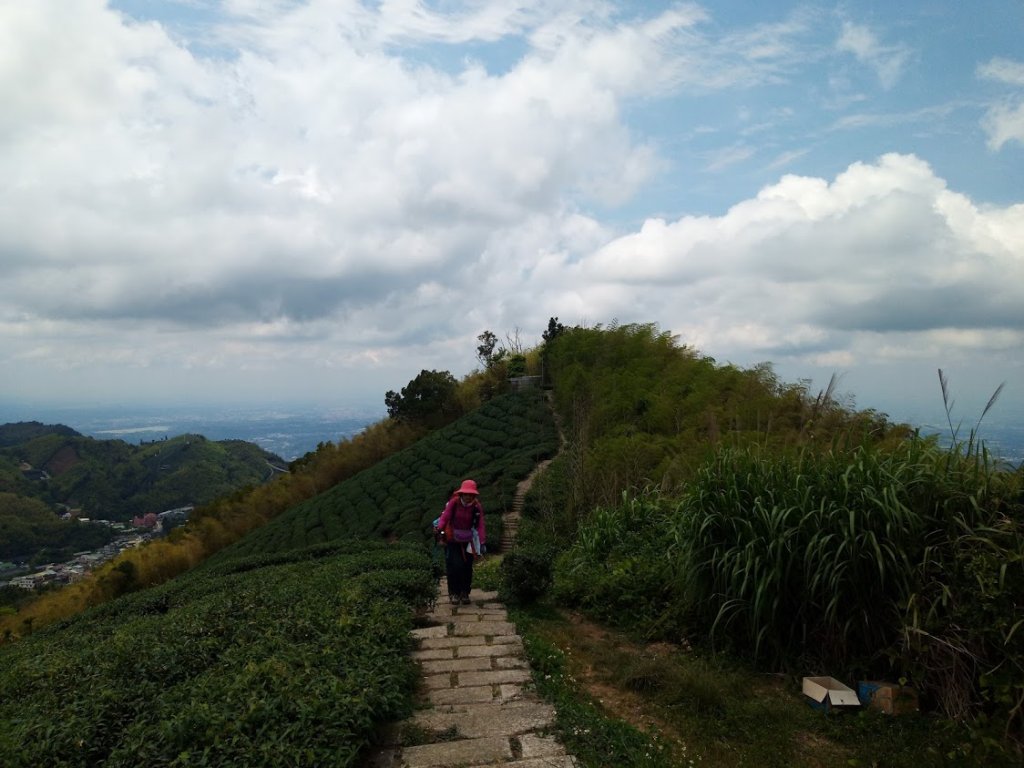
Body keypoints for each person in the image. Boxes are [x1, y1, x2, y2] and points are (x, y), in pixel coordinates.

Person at [435, 479, 486, 605]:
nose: (468, 497)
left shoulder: (476, 507)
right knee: (455, 566)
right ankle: (454, 593)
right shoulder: (454, 503)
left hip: (469, 540)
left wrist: (482, 541)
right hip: (453, 539)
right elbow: (445, 517)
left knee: (467, 567)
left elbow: (480, 525)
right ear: (461, 494)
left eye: (471, 495)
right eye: (466, 494)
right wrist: (439, 529)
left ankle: (465, 592)